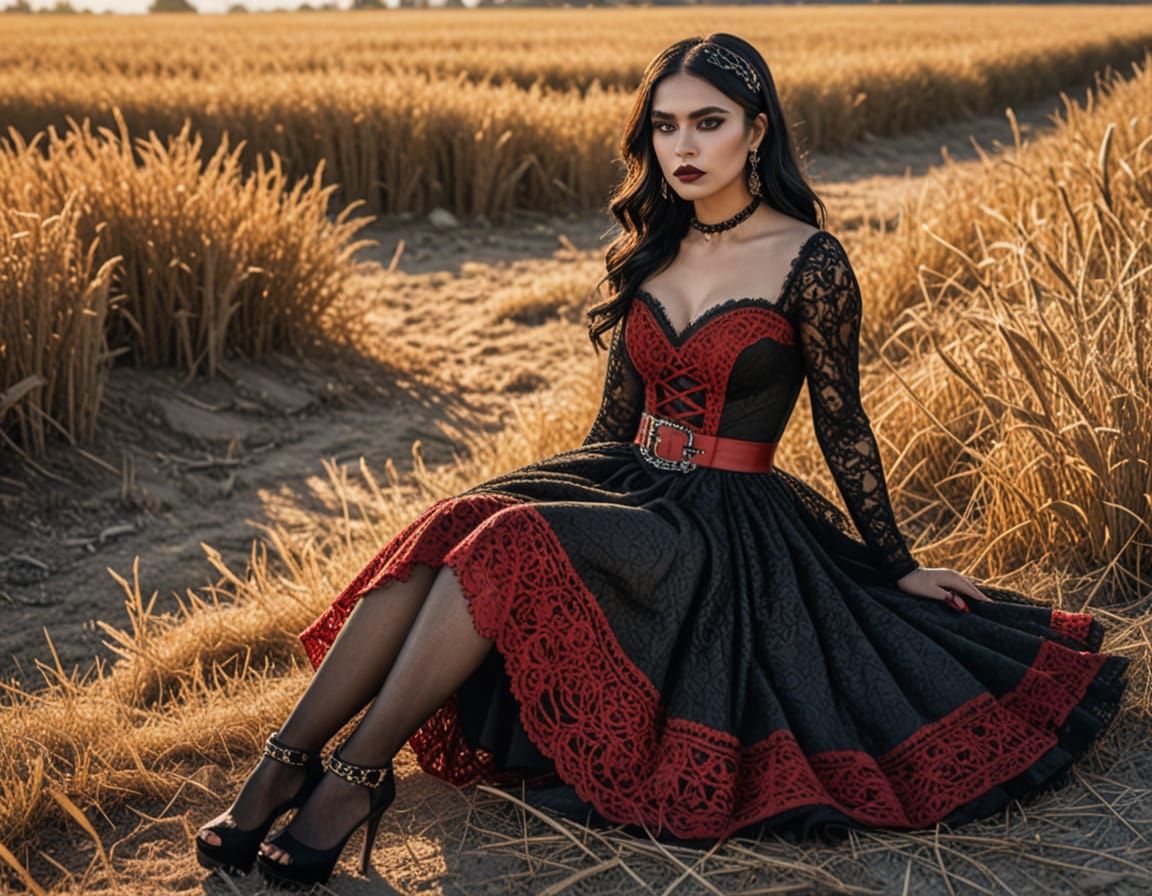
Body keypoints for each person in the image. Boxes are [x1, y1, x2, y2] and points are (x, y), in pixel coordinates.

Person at [195, 33, 1131, 889]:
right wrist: (545, 505)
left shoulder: (811, 262)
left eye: (709, 123)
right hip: (635, 485)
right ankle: (286, 762)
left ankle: (354, 780)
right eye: (666, 124)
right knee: (458, 523)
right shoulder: (650, 253)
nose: (684, 145)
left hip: (727, 524)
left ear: (756, 131)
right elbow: (612, 430)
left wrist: (897, 561)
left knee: (508, 538)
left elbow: (846, 428)